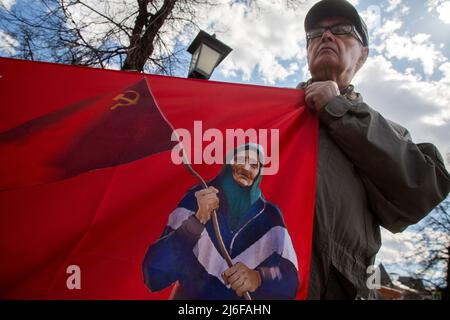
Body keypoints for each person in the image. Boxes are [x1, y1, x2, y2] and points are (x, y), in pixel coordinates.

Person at [299, 0, 450, 299]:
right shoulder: (271, 120)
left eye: (341, 30)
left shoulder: (391, 134)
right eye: (315, 34)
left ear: (363, 55)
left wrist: (337, 109)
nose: (325, 36)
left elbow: (417, 192)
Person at [142, 144, 299, 299]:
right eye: (241, 160)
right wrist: (196, 221)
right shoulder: (197, 197)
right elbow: (154, 274)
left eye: (253, 165)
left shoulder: (270, 216)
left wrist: (259, 278)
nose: (246, 168)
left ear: (259, 173)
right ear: (229, 162)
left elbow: (290, 279)